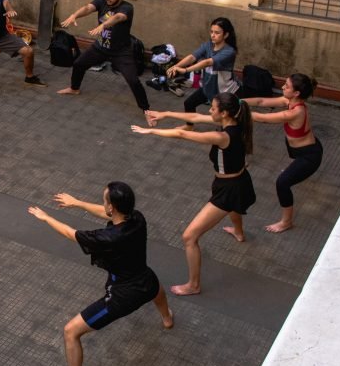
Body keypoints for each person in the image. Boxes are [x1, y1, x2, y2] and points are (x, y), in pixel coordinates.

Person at [28, 183, 173, 366]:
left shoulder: (107, 238)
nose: (102, 204)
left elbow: (70, 233)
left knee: (70, 331)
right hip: (146, 279)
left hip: (122, 296)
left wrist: (46, 218)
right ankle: (167, 317)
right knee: (156, 289)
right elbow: (104, 211)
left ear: (112, 207)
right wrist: (78, 204)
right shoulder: (138, 218)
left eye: (104, 200)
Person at [132, 92, 255, 296]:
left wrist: (150, 132)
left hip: (229, 188)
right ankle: (239, 232)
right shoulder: (236, 121)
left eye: (213, 108)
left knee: (189, 237)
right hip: (237, 180)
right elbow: (196, 118)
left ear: (224, 113)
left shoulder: (221, 136)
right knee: (234, 206)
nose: (209, 111)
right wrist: (164, 114)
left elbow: (183, 134)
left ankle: (193, 285)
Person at [57, 0, 150, 118]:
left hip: (121, 52)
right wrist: (75, 15)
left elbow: (118, 17)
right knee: (78, 64)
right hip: (100, 47)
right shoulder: (101, 1)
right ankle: (74, 88)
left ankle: (147, 110)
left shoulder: (127, 7)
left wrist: (103, 25)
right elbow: (88, 8)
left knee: (133, 80)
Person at [242, 73, 322, 233]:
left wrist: (232, 109)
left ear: (296, 93)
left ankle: (286, 222)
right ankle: (295, 170)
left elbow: (261, 117)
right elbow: (261, 101)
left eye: (287, 86)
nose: (282, 87)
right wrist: (238, 101)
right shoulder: (289, 101)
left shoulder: (295, 112)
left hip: (309, 156)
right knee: (290, 167)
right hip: (300, 150)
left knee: (283, 183)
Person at [166, 17, 239, 127]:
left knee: (224, 119)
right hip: (208, 87)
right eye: (211, 32)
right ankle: (189, 126)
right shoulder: (208, 45)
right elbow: (192, 57)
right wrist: (175, 66)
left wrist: (185, 70)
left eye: (217, 33)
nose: (213, 35)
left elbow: (207, 62)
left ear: (226, 35)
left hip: (224, 91)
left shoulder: (229, 51)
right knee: (189, 103)